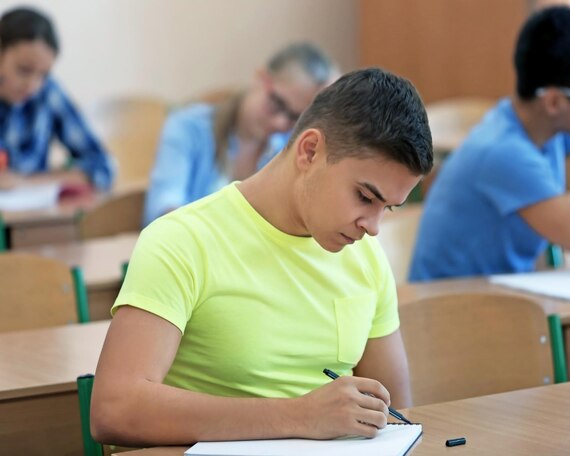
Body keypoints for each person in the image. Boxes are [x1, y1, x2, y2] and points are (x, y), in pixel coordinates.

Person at [91, 68, 433, 446]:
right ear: (309, 151)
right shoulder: (181, 241)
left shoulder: (366, 256)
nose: (372, 226)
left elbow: (397, 417)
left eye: (389, 208)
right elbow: (115, 409)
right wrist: (299, 416)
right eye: (365, 197)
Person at [409, 6, 570, 281]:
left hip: (496, 300)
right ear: (555, 101)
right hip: (454, 311)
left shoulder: (534, 127)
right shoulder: (506, 155)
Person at [143, 42, 339, 225]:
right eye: (277, 103)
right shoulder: (188, 127)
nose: (280, 122)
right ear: (261, 78)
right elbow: (163, 210)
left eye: (294, 117)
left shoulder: (294, 148)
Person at [0, 7, 114, 191]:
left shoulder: (48, 94)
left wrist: (25, 183)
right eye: (24, 70)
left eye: (43, 75)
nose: (32, 85)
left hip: (33, 216)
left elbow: (103, 166)